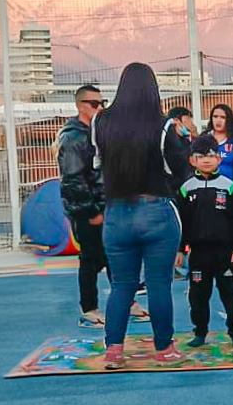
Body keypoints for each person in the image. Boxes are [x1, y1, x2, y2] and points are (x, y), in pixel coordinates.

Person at [93, 63, 185, 369]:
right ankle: (165, 350)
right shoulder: (163, 126)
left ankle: (114, 351)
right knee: (159, 284)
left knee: (122, 285)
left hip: (116, 213)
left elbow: (94, 167)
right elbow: (180, 171)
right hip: (156, 210)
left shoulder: (101, 122)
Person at [57, 85, 149, 328]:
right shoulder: (73, 137)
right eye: (94, 104)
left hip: (110, 205)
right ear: (80, 105)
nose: (100, 108)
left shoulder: (101, 132)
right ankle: (89, 308)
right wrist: (91, 212)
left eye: (102, 103)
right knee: (89, 259)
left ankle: (126, 302)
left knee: (117, 256)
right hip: (90, 210)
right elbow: (74, 178)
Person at [176, 135, 233, 348]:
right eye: (200, 156)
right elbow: (182, 222)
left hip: (225, 252)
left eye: (211, 155)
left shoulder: (229, 186)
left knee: (230, 293)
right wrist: (180, 249)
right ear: (193, 161)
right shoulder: (186, 188)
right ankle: (200, 331)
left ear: (219, 159)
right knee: (198, 296)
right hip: (198, 253)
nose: (206, 160)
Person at [204, 104, 233, 182]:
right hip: (208, 188)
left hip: (232, 188)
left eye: (223, 117)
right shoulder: (203, 140)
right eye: (215, 116)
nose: (218, 120)